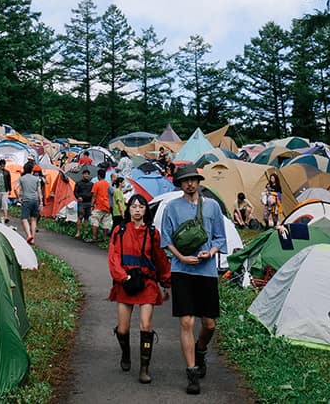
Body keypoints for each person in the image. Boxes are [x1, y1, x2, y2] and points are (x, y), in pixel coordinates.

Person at [160, 164, 228, 395]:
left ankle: (201, 350)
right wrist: (181, 257)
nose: (190, 183)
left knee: (209, 324)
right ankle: (192, 373)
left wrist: (210, 252)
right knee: (187, 321)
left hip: (206, 271)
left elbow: (219, 237)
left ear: (199, 182)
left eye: (193, 180)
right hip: (182, 271)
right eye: (185, 180)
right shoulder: (172, 207)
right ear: (180, 183)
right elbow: (166, 238)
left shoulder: (212, 206)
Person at [109, 194, 172, 384]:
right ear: (128, 209)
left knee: (146, 326)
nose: (137, 210)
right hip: (126, 283)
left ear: (146, 210)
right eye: (134, 206)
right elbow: (114, 257)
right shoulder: (119, 231)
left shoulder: (153, 233)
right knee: (123, 329)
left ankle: (144, 367)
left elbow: (160, 259)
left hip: (147, 283)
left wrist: (166, 282)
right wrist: (123, 277)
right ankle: (126, 354)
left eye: (141, 206)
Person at [17, 161, 42, 243]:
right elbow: (39, 191)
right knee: (33, 219)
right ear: (32, 170)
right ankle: (33, 239)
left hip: (26, 200)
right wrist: (41, 202)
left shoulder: (22, 178)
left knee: (24, 219)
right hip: (35, 200)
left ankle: (29, 235)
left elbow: (15, 188)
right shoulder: (36, 179)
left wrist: (18, 198)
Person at [90, 168, 112, 241]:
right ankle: (104, 238)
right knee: (106, 222)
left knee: (95, 220)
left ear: (98, 176)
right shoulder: (108, 184)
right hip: (107, 206)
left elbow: (94, 196)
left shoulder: (97, 184)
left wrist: (92, 205)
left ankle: (94, 237)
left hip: (99, 205)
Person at [74, 168, 95, 240]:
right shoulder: (78, 183)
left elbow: (93, 193)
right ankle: (78, 232)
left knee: (86, 218)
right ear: (82, 175)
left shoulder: (91, 184)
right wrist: (78, 197)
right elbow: (75, 192)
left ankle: (85, 232)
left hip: (89, 202)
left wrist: (93, 202)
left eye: (87, 174)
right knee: (80, 216)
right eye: (85, 174)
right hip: (81, 202)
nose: (86, 175)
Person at [0, 158, 12, 224]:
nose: (3, 166)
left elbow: (9, 181)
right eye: (1, 165)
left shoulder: (7, 172)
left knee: (4, 203)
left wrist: (10, 189)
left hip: (5, 190)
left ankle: (6, 216)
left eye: (3, 165)